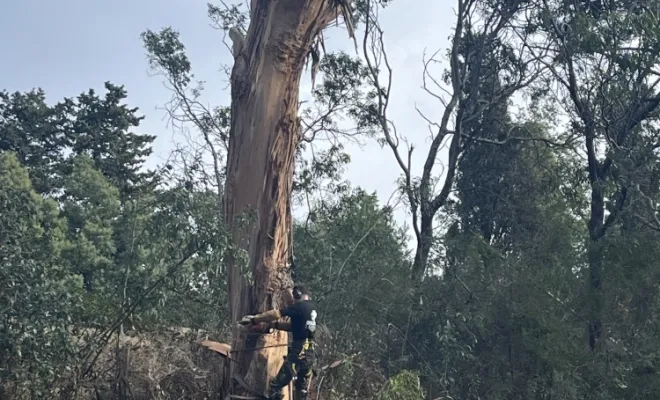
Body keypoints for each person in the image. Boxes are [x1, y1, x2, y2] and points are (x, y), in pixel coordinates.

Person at [240, 286, 317, 400]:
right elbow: (293, 327)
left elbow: (276, 314)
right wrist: (273, 325)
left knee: (277, 385)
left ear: (297, 295)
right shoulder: (311, 309)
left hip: (298, 352)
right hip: (310, 353)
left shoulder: (298, 307)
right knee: (301, 388)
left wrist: (255, 319)